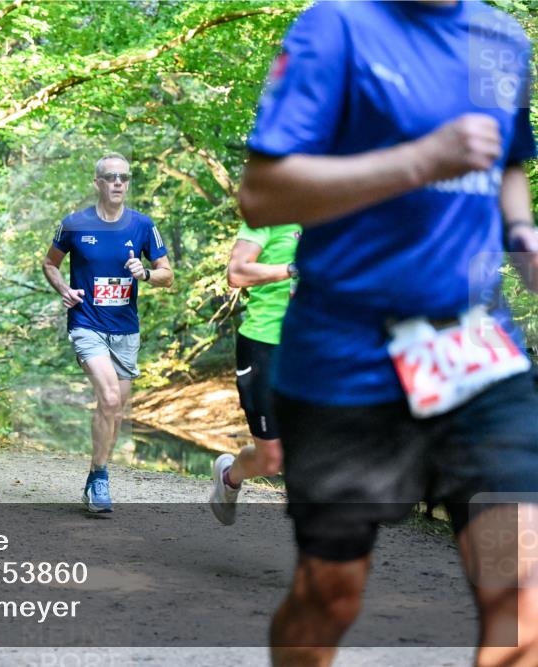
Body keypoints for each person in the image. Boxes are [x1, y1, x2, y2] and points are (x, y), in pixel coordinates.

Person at [237, 2, 538, 664]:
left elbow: (507, 160)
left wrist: (522, 235)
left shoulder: (500, 39)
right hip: (346, 362)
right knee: (331, 596)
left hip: (477, 358)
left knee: (520, 601)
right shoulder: (337, 27)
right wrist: (420, 160)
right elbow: (262, 193)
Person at [41, 153, 173, 513]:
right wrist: (64, 290)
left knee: (114, 409)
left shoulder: (143, 226)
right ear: (97, 183)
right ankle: (101, 479)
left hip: (125, 330)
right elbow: (50, 263)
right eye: (111, 177)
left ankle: (95, 471)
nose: (118, 183)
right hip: (87, 324)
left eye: (124, 177)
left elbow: (167, 274)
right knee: (110, 398)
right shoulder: (74, 224)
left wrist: (145, 273)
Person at [210, 222, 300, 525]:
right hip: (265, 346)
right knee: (271, 460)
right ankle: (229, 477)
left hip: (316, 347)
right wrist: (292, 268)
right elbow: (236, 273)